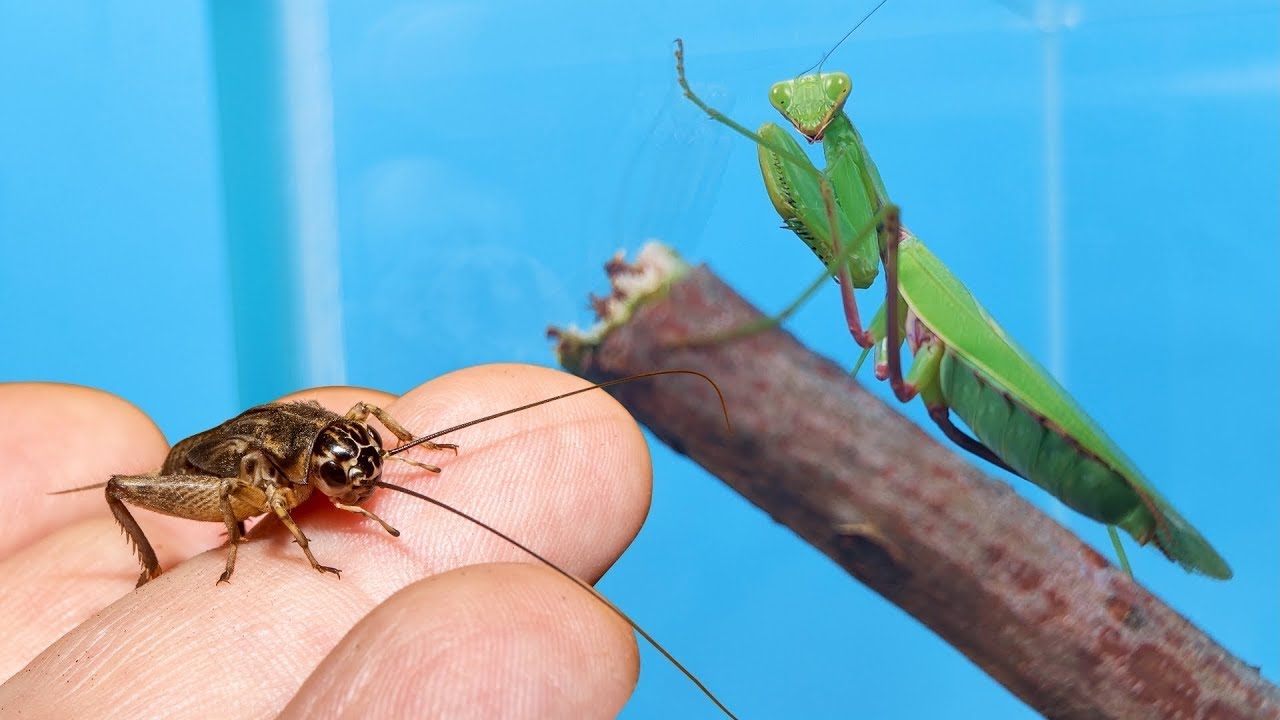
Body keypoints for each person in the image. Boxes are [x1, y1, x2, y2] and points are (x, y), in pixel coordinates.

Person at [0, 364, 648, 718]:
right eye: (347, 475)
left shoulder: (339, 432)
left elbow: (363, 418)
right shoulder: (270, 475)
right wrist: (268, 545)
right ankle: (147, 568)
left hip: (285, 452)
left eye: (367, 465)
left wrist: (407, 453)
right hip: (207, 475)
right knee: (122, 486)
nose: (362, 483)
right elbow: (250, 485)